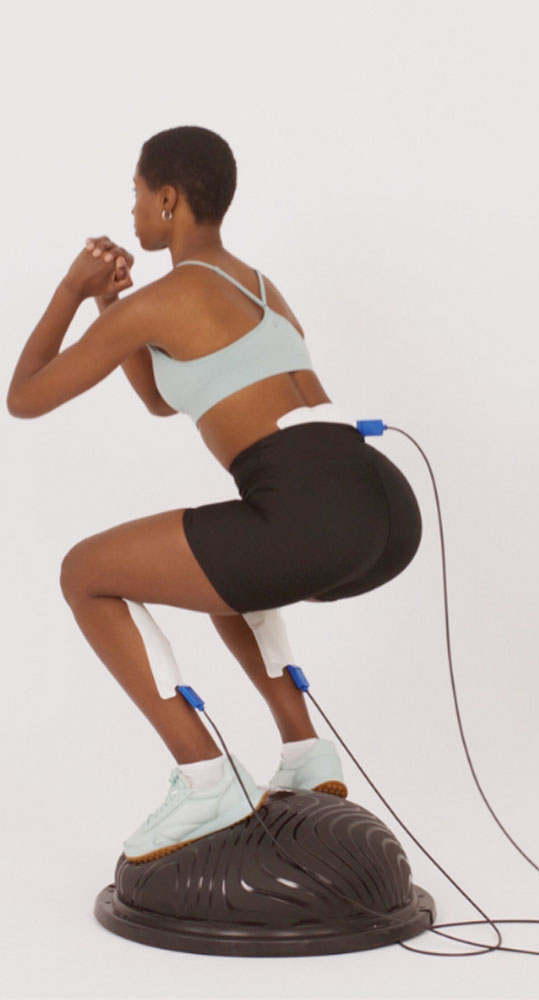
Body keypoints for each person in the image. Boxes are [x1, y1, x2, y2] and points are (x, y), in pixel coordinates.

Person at [7, 126, 422, 862]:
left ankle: (204, 777)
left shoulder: (165, 299)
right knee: (226, 566)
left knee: (83, 573)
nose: (133, 209)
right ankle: (306, 752)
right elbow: (161, 399)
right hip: (381, 507)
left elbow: (25, 396)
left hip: (309, 513)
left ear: (167, 199)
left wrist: (73, 288)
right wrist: (111, 305)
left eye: (137, 194)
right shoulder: (258, 285)